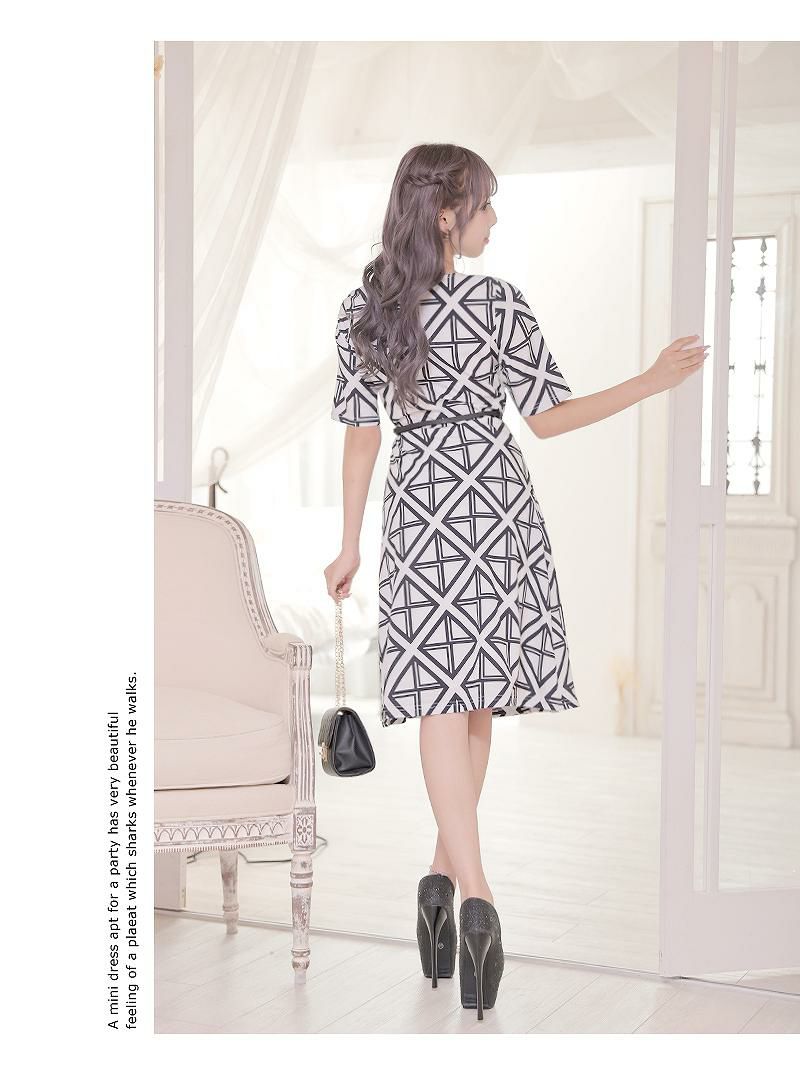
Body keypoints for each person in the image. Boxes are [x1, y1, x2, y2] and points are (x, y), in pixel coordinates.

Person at [323, 143, 708, 1019]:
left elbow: (361, 435)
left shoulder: (365, 310)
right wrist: (650, 382)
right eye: (485, 205)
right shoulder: (497, 303)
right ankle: (477, 896)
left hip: (421, 513)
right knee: (472, 706)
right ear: (446, 214)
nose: (494, 220)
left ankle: (445, 879)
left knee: (447, 704)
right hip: (497, 512)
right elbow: (550, 419)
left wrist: (347, 543)